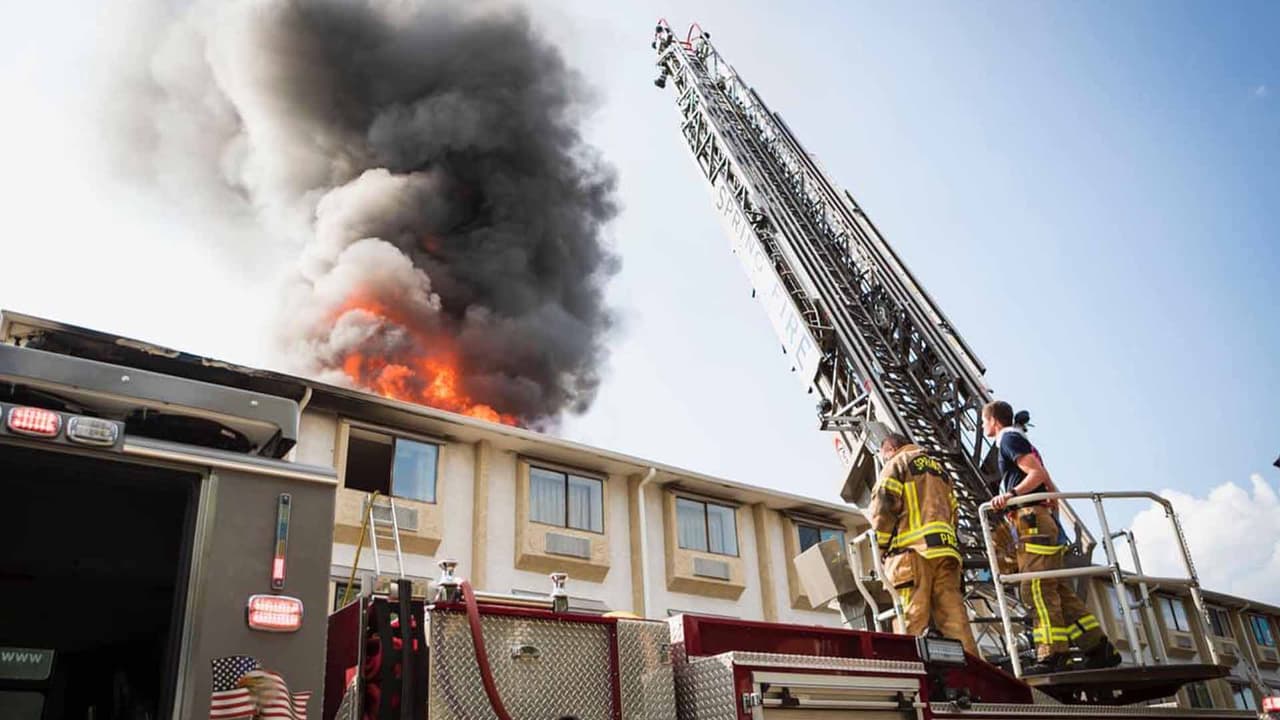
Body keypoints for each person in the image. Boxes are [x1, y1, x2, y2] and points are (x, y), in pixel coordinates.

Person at [984, 400, 1121, 672]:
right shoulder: (1017, 439)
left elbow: (1037, 474)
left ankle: (1053, 655)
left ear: (995, 421)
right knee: (1057, 589)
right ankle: (1098, 647)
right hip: (1040, 521)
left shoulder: (1008, 439)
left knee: (1035, 588)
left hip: (1032, 522)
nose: (982, 426)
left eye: (984, 421)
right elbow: (1046, 482)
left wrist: (1010, 495)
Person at [870, 432, 979, 656]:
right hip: (946, 553)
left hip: (912, 555)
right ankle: (972, 680)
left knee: (910, 621)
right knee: (956, 623)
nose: (883, 460)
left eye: (883, 455)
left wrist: (878, 550)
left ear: (890, 449)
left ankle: (910, 681)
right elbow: (954, 511)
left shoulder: (897, 463)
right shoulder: (940, 470)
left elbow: (883, 507)